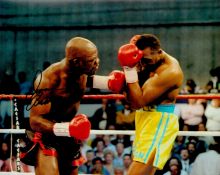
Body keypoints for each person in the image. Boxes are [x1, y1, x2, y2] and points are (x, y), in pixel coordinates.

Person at [20, 37, 125, 175]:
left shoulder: (81, 73)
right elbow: (35, 121)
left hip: (68, 135)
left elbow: (86, 81)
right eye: (91, 60)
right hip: (47, 136)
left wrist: (110, 82)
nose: (97, 62)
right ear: (77, 62)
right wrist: (67, 128)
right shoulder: (48, 81)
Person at [117, 34, 184, 175]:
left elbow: (137, 102)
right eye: (140, 60)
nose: (143, 64)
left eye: (146, 60)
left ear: (159, 52)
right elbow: (134, 95)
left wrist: (129, 69)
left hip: (158, 121)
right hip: (144, 119)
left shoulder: (170, 71)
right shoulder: (148, 61)